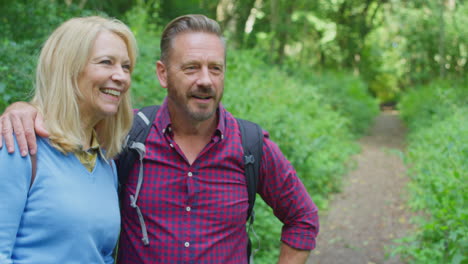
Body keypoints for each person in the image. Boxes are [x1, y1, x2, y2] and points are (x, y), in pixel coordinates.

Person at [0, 14, 319, 263]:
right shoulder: (127, 140)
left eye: (216, 69)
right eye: (192, 67)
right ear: (163, 73)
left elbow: (303, 217)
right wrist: (24, 109)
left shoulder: (251, 146)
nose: (205, 80)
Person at [0, 16, 137, 263]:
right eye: (107, 62)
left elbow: (102, 255)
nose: (121, 77)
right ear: (68, 68)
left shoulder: (105, 163)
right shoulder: (17, 145)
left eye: (126, 67)